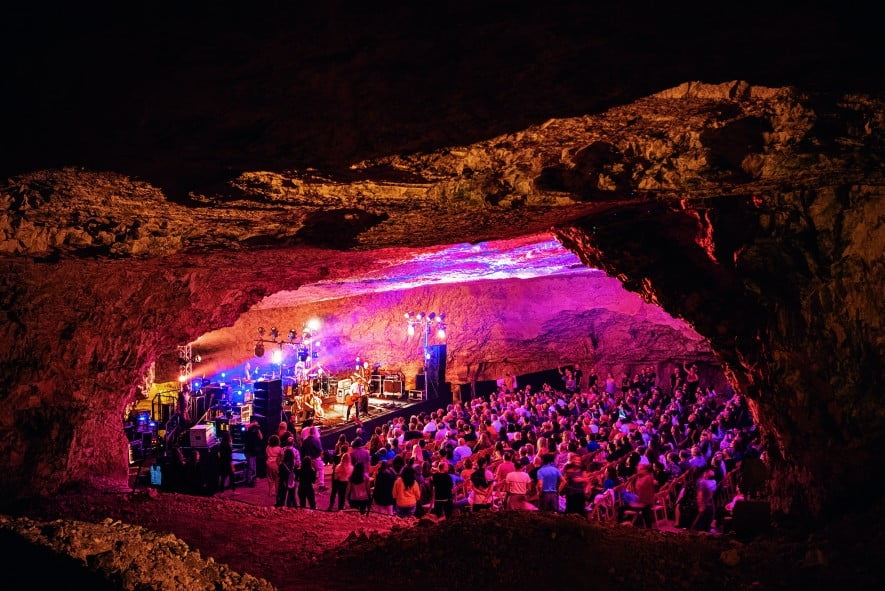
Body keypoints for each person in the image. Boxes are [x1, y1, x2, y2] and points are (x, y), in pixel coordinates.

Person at [242, 420, 263, 487]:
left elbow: (261, 437)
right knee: (250, 467)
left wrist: (258, 428)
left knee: (253, 468)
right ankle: (248, 481)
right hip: (248, 451)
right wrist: (253, 424)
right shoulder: (248, 432)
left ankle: (250, 480)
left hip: (253, 452)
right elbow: (245, 427)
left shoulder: (255, 433)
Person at [265, 434, 282, 498]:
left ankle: (270, 492)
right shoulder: (279, 448)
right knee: (277, 479)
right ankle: (277, 492)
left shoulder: (268, 448)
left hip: (268, 464)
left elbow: (266, 455)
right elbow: (282, 456)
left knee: (270, 478)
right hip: (276, 464)